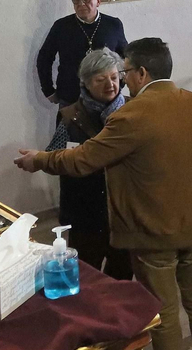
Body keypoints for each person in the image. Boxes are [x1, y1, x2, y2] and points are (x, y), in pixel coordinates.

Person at [15, 38, 192, 350]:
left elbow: (83, 159)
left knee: (163, 311)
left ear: (142, 72)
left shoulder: (132, 115)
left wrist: (40, 160)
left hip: (154, 232)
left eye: (125, 72)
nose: (122, 80)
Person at [44, 48, 134, 281]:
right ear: (85, 83)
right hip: (84, 212)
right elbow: (54, 159)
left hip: (124, 212)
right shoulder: (70, 116)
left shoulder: (133, 111)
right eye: (100, 80)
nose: (110, 85)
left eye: (114, 77)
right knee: (86, 277)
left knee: (122, 278)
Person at [37, 0, 130, 105]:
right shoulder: (61, 26)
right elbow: (44, 58)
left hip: (107, 97)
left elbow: (126, 58)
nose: (81, 4)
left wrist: (120, 83)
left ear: (98, 1)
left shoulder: (113, 25)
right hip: (71, 97)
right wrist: (48, 90)